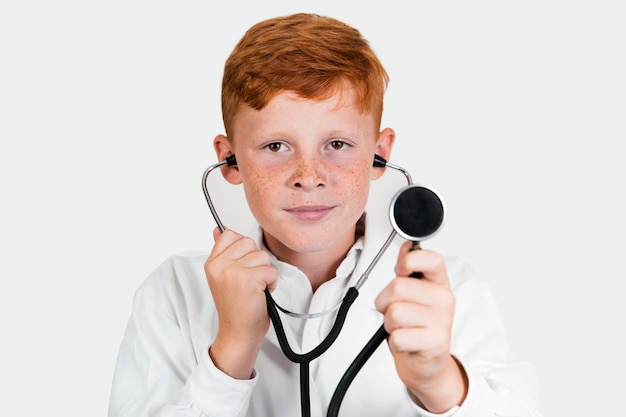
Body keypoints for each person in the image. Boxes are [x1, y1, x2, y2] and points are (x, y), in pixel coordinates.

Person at [108, 12, 543, 417]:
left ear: (379, 155)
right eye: (276, 146)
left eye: (337, 144)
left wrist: (440, 381)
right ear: (230, 162)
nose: (309, 177)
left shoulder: (446, 292)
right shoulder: (175, 295)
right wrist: (233, 348)